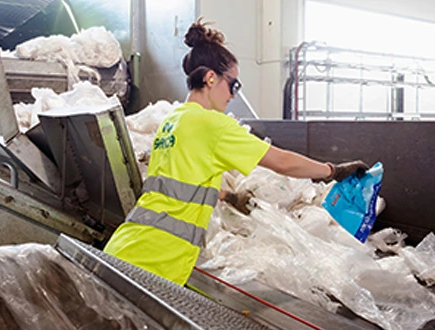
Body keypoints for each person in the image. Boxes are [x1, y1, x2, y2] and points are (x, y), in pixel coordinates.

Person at [103, 18, 369, 286]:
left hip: (129, 246)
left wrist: (229, 196)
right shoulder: (212, 124)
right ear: (210, 78)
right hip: (153, 261)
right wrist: (332, 171)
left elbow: (179, 182)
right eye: (233, 85)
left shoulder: (173, 121)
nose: (233, 95)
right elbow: (282, 162)